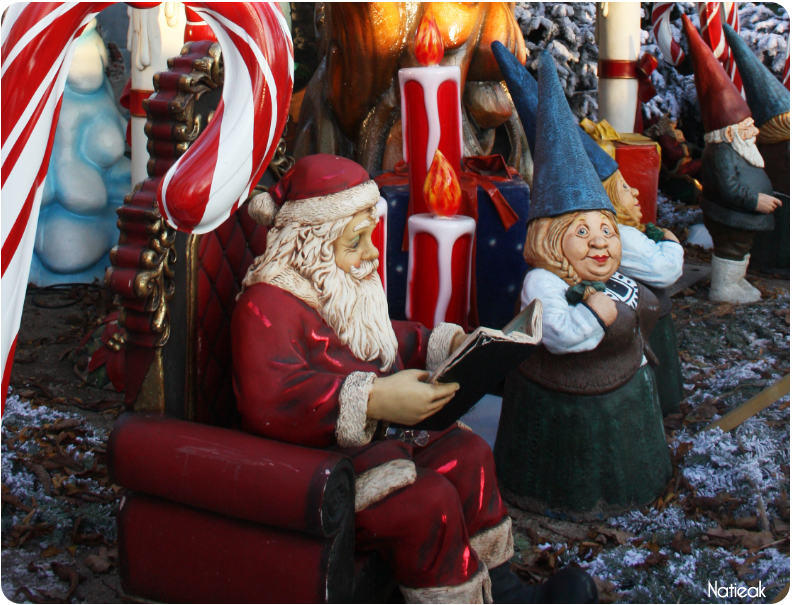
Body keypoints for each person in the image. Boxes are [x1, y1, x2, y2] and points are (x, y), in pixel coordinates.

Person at [231, 154, 596, 604]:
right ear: (311, 244)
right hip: (322, 466)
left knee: (469, 455)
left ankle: (499, 588)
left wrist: (445, 346)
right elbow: (273, 399)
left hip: (374, 442)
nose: (370, 254)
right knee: (428, 503)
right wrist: (375, 399)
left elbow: (380, 340)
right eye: (356, 241)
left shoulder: (335, 285)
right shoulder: (267, 306)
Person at [493, 52, 671, 520]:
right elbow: (560, 334)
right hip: (567, 413)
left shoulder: (609, 274)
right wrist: (595, 314)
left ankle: (641, 481)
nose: (601, 243)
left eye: (607, 231)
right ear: (552, 241)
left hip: (623, 398)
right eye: (582, 233)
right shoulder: (542, 284)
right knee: (579, 469)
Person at [682, 15, 782, 302]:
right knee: (732, 248)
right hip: (730, 216)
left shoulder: (737, 148)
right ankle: (724, 288)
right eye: (746, 128)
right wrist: (756, 200)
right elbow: (729, 188)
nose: (754, 130)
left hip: (742, 219)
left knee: (741, 249)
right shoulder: (722, 153)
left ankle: (735, 282)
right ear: (729, 134)